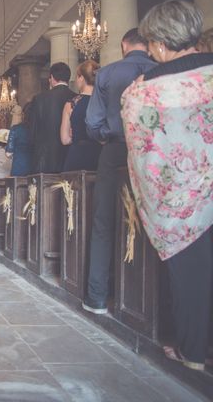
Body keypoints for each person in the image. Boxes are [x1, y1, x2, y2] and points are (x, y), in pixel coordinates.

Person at [122, 0, 213, 371]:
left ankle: (193, 352)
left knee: (192, 273)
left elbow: (143, 147)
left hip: (180, 204)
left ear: (159, 44)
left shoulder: (142, 92)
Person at [82, 28, 157, 315]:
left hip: (116, 148)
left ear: (123, 44)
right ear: (149, 44)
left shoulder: (108, 73)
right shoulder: (161, 69)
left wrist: (107, 135)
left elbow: (92, 122)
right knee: (151, 220)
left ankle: (97, 297)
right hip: (154, 150)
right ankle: (148, 307)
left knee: (104, 221)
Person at [30, 62, 75, 173]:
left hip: (45, 158)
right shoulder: (76, 98)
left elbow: (33, 131)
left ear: (52, 78)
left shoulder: (39, 99)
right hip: (70, 155)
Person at [60, 60, 102, 171]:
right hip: (100, 154)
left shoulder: (71, 104)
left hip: (78, 154)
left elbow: (64, 139)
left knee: (75, 187)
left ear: (81, 78)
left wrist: (73, 136)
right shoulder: (104, 102)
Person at [6, 104, 33, 176]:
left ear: (23, 114)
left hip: (19, 167)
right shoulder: (39, 130)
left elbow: (8, 153)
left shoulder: (15, 129)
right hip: (35, 168)